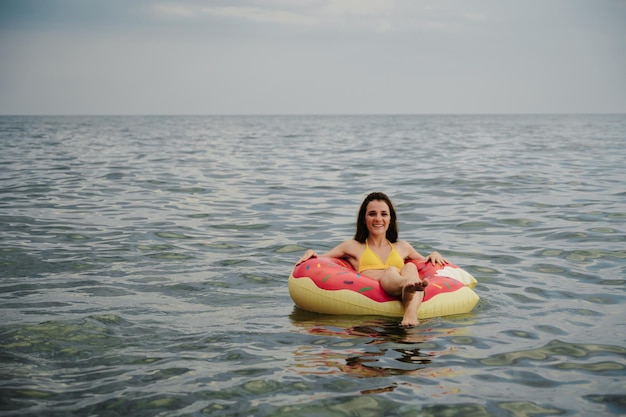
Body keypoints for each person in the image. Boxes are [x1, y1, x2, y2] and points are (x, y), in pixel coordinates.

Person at [296, 192, 447, 327]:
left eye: (384, 214)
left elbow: (424, 263)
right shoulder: (353, 246)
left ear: (390, 219)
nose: (378, 219)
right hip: (380, 285)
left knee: (410, 268)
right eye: (372, 214)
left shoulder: (402, 247)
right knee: (391, 270)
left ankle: (410, 311)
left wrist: (434, 254)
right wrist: (310, 252)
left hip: (404, 283)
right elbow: (322, 260)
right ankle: (405, 285)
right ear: (364, 219)